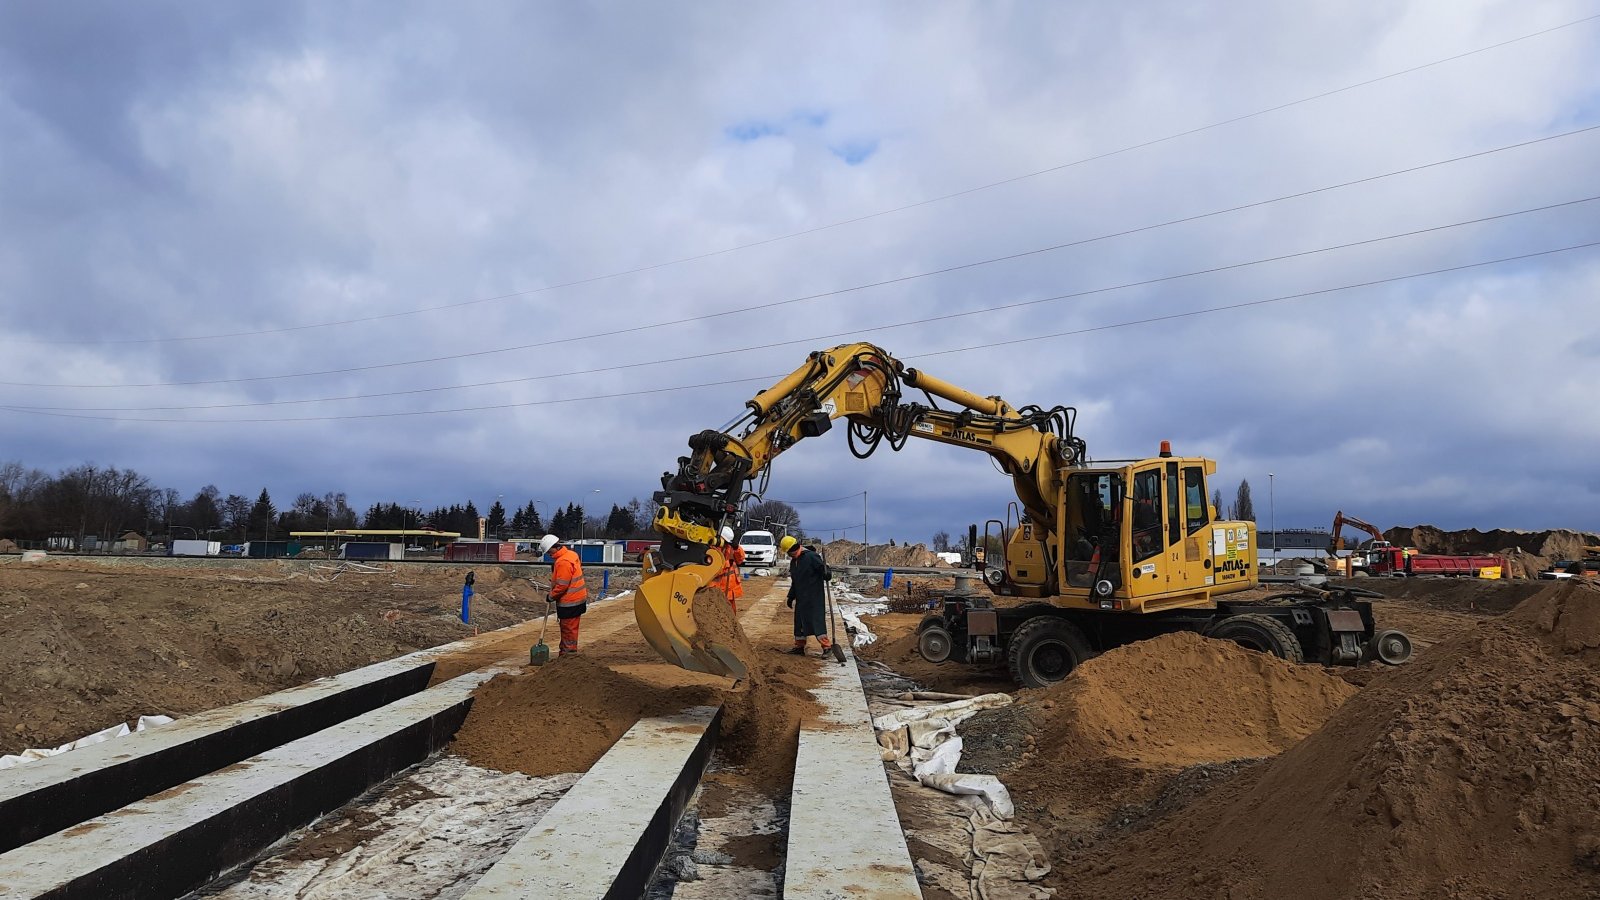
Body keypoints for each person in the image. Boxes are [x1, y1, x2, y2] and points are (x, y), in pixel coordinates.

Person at [781, 535, 833, 657]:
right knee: (799, 623)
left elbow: (824, 569)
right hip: (801, 597)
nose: (789, 555)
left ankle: (827, 647)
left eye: (789, 552)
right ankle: (799, 646)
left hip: (814, 597)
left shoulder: (811, 557)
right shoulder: (794, 562)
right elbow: (795, 581)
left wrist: (827, 573)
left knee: (816, 622)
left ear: (793, 548)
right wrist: (791, 596)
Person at [540, 534, 588, 656]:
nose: (549, 554)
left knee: (568, 629)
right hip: (578, 598)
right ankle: (566, 650)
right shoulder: (571, 554)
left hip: (570, 601)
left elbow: (562, 586)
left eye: (549, 552)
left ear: (553, 547)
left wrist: (551, 596)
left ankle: (568, 654)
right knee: (569, 627)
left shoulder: (563, 562)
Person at [712, 526, 746, 616]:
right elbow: (715, 568)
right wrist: (727, 564)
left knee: (731, 614)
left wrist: (736, 547)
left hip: (730, 589)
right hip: (716, 589)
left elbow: (740, 559)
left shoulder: (730, 548)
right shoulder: (712, 549)